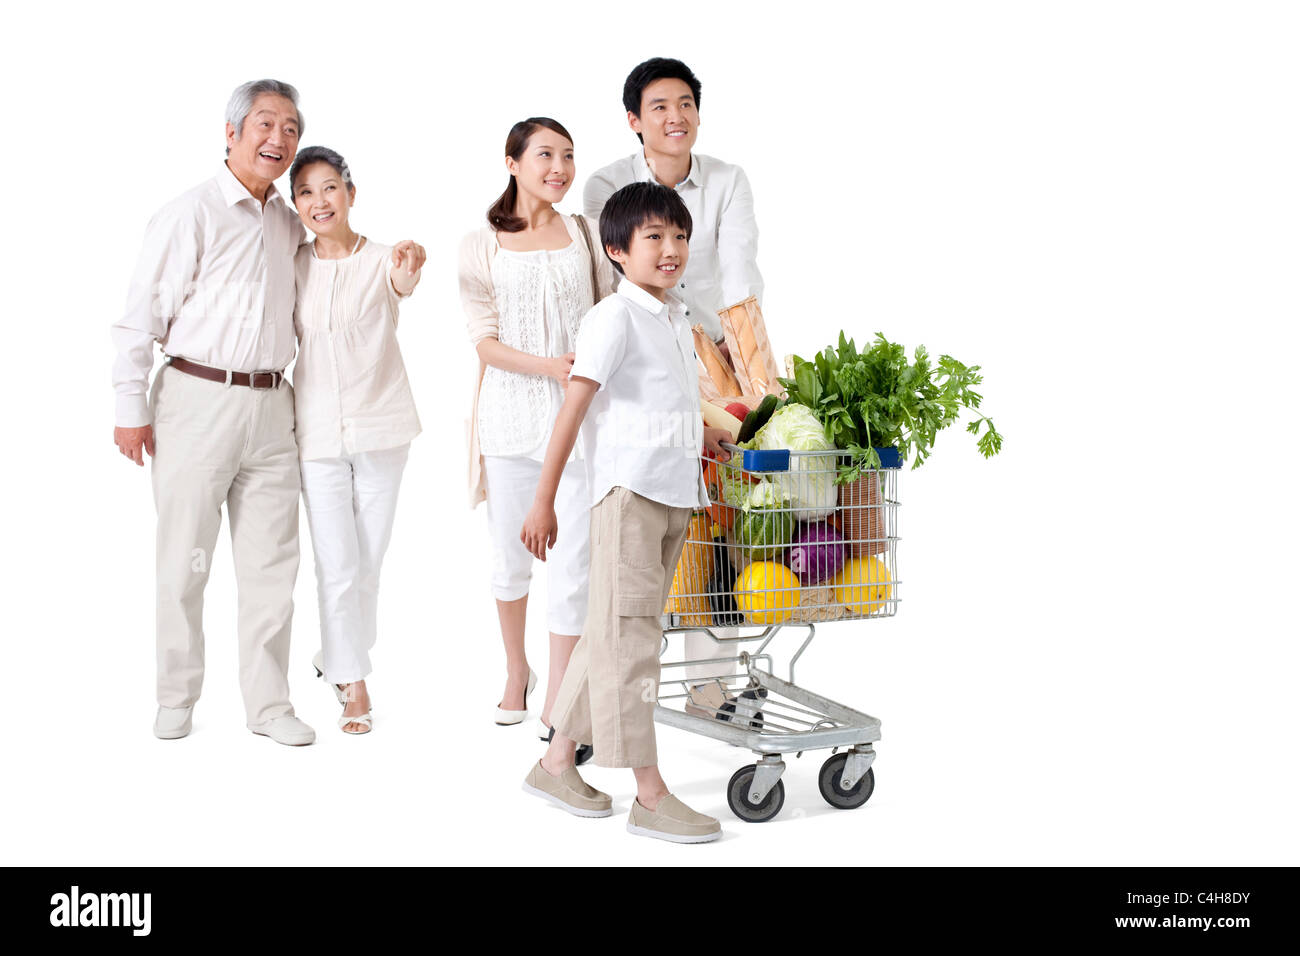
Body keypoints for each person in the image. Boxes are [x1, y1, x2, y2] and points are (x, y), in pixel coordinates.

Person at [521, 182, 734, 843]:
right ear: (617, 250)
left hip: (673, 494)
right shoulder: (613, 318)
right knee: (633, 646)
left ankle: (557, 762)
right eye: (653, 238)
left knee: (612, 634)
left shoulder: (673, 319)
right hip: (630, 497)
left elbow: (656, 403)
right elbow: (576, 408)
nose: (670, 250)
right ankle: (649, 791)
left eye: (678, 236)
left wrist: (705, 438)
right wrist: (543, 498)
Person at [110, 79, 315, 745]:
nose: (277, 139)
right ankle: (176, 696)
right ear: (231, 133)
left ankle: (269, 706)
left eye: (289, 127)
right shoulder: (190, 213)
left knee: (272, 567)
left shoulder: (290, 223)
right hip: (194, 402)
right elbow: (138, 319)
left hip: (272, 406)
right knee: (185, 559)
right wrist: (129, 407)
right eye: (264, 124)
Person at [584, 56, 764, 712]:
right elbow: (624, 282)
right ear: (635, 120)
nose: (675, 116)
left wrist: (755, 379)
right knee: (650, 538)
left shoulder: (726, 181)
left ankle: (708, 684)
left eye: (685, 103)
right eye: (659, 106)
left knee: (721, 520)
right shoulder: (607, 183)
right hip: (646, 364)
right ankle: (611, 696)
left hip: (723, 363)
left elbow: (740, 275)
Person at [460, 118, 615, 746]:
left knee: (573, 560)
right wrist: (548, 365)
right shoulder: (481, 244)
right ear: (512, 161)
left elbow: (609, 314)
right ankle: (515, 668)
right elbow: (484, 343)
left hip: (580, 421)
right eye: (545, 154)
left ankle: (557, 694)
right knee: (510, 558)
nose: (560, 167)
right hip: (507, 420)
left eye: (569, 156)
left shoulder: (585, 232)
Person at [288, 146, 426, 735]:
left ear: (349, 192)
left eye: (329, 188)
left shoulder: (382, 258)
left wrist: (410, 263)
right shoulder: (292, 262)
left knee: (367, 560)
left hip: (382, 426)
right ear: (295, 205)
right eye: (305, 193)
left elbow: (402, 283)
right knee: (336, 562)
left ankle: (340, 655)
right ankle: (353, 679)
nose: (319, 202)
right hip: (315, 431)